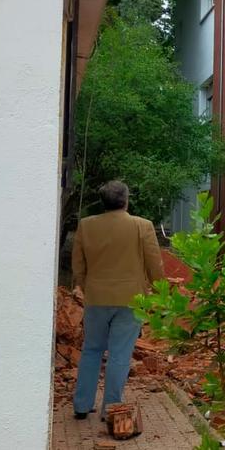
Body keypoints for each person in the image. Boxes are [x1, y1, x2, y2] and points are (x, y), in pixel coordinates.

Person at [71, 180, 164, 420]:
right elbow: (154, 263)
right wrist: (159, 290)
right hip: (131, 299)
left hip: (96, 297)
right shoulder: (142, 226)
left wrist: (85, 286)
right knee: (120, 354)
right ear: (126, 199)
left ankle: (81, 406)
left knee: (91, 349)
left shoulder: (86, 225)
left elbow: (78, 264)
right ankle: (112, 408)